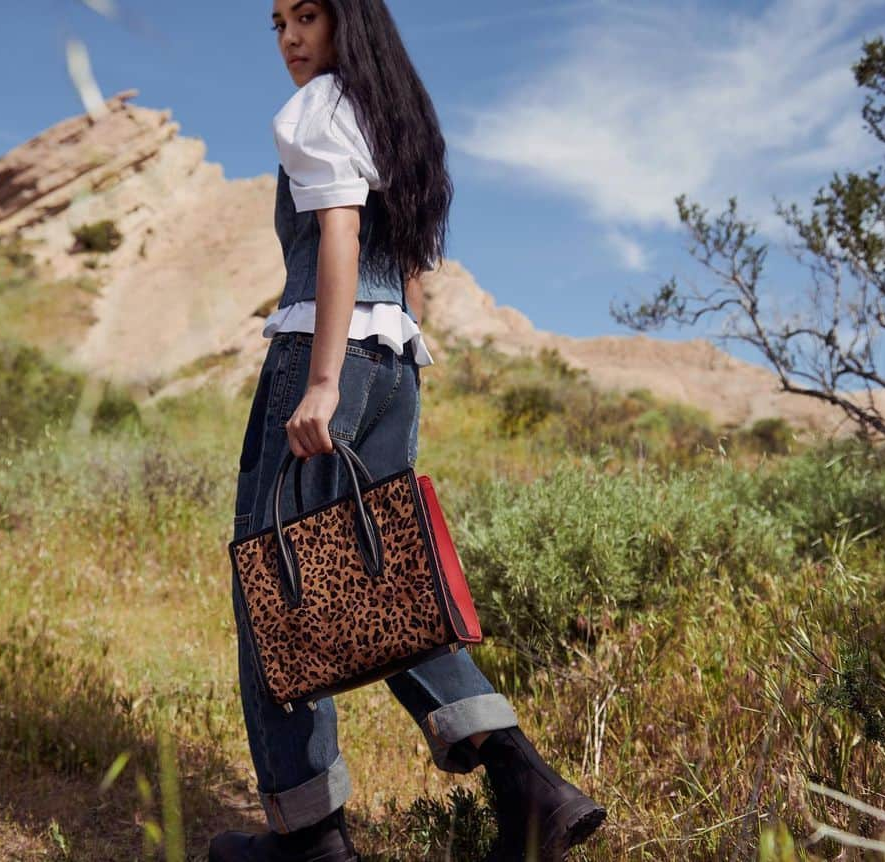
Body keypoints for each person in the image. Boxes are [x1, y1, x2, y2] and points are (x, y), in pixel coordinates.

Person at [208, 1, 606, 859]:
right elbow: (411, 268)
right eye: (275, 22)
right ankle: (528, 784)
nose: (289, 38)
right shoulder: (395, 119)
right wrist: (394, 368)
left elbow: (341, 233)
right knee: (383, 586)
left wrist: (319, 383)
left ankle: (309, 836)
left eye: (307, 14)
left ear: (350, 18)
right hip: (393, 365)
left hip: (327, 363)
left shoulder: (315, 110)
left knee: (276, 589)